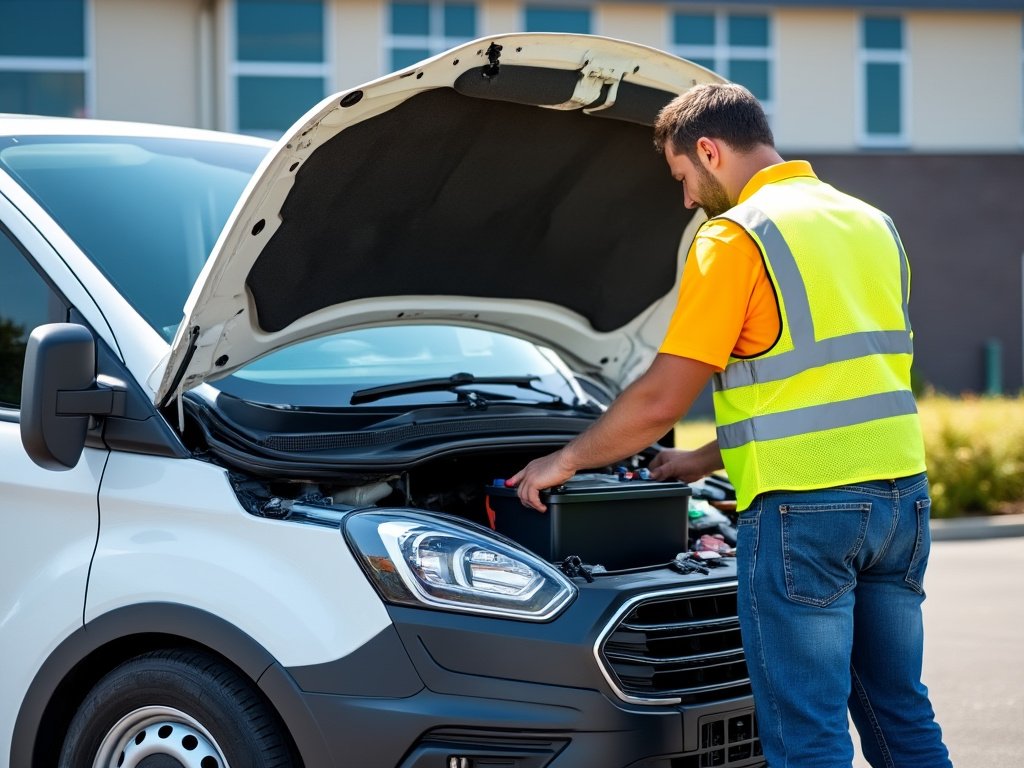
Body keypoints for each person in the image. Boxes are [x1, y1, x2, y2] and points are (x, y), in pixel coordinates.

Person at [506, 82, 951, 768]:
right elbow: (833, 380)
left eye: (683, 177)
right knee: (900, 713)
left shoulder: (737, 235)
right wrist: (707, 458)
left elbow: (660, 398)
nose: (686, 198)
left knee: (808, 733)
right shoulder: (871, 222)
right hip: (901, 502)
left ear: (708, 150)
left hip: (808, 511)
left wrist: (563, 462)